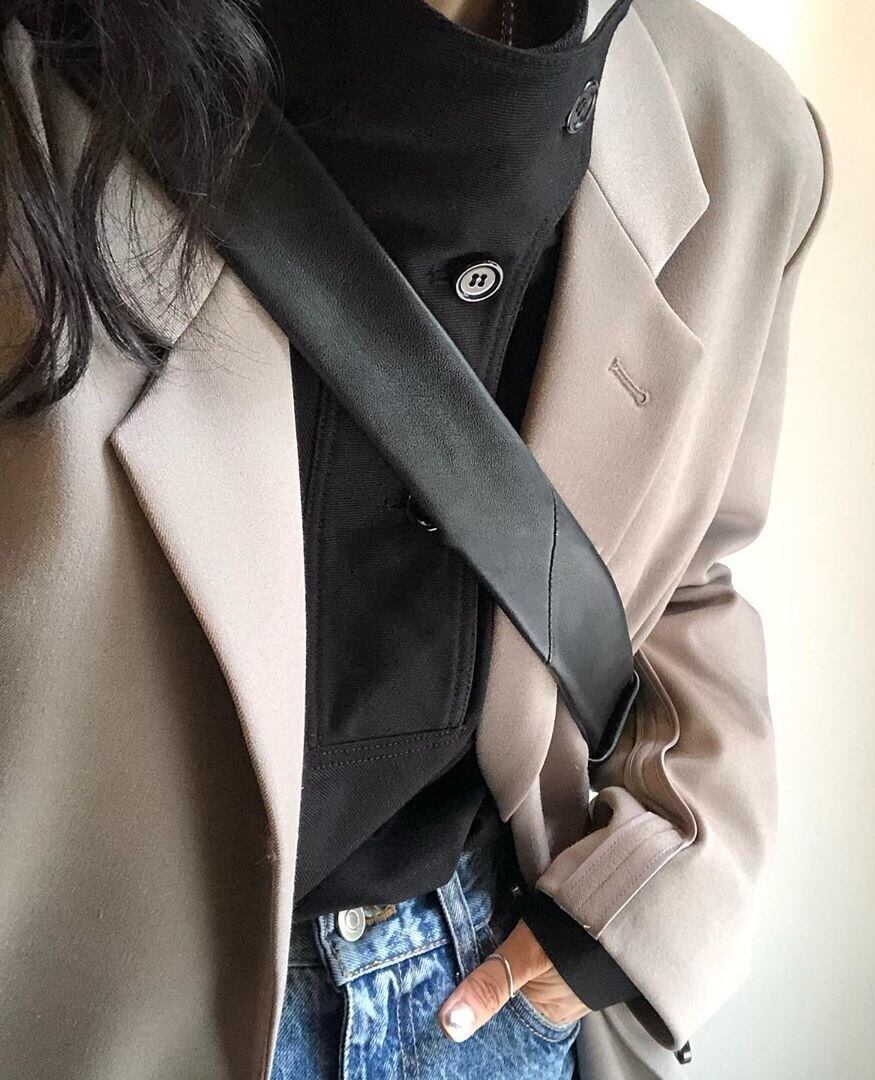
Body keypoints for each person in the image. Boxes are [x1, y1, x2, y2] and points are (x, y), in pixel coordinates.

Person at [0, 0, 832, 1077]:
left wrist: (652, 889)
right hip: (92, 1010)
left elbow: (688, 573)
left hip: (486, 983)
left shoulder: (746, 138)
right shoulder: (46, 65)